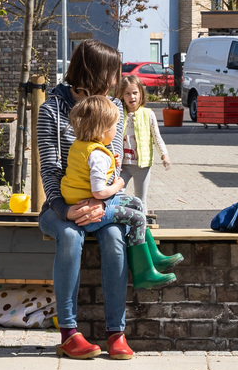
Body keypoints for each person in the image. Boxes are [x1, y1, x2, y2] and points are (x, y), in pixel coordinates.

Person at [38, 39, 138, 360]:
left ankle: (116, 333)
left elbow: (116, 160)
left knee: (114, 238)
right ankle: (68, 333)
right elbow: (51, 170)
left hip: (103, 204)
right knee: (69, 236)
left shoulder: (115, 107)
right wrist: (66, 211)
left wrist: (102, 204)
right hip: (60, 205)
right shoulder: (51, 110)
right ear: (93, 73)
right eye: (112, 74)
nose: (116, 82)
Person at [62, 95, 179, 288]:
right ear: (102, 131)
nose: (117, 131)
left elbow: (85, 168)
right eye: (115, 126)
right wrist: (118, 185)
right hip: (90, 214)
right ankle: (144, 274)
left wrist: (111, 162)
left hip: (81, 202)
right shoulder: (98, 155)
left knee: (137, 203)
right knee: (138, 218)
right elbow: (99, 192)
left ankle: (153, 257)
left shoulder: (83, 146)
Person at [118, 75, 172, 202]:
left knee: (141, 199)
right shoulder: (118, 114)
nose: (132, 97)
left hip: (142, 165)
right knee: (116, 195)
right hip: (122, 166)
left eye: (135, 93)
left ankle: (142, 220)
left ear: (141, 93)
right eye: (127, 94)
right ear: (122, 96)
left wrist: (164, 155)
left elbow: (157, 137)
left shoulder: (148, 114)